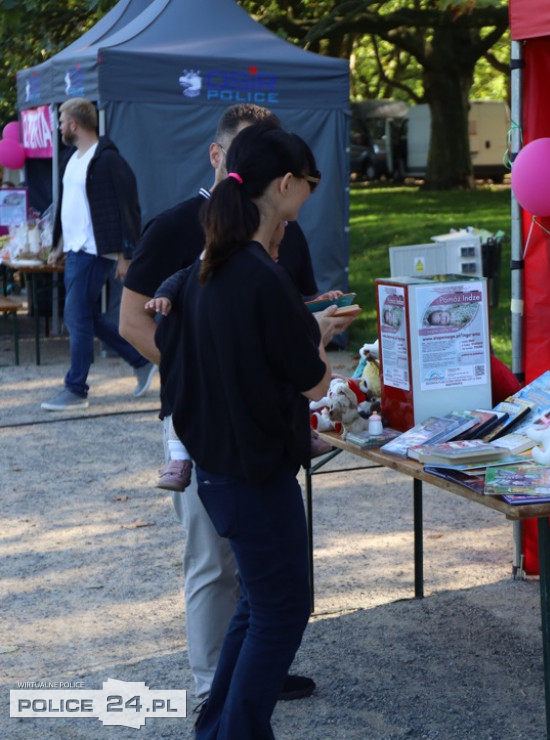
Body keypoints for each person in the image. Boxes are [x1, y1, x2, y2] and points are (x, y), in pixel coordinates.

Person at [118, 104, 337, 704]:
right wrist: (207, 374)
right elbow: (134, 321)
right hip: (216, 434)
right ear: (220, 156)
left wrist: (313, 319)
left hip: (259, 433)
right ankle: (217, 691)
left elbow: (283, 323)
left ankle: (239, 693)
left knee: (258, 582)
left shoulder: (273, 240)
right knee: (223, 568)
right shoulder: (182, 232)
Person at [40, 97, 155, 411]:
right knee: (87, 315)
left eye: (61, 122)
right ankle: (140, 360)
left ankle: (76, 389)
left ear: (74, 124)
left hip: (95, 251)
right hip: (76, 250)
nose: (59, 127)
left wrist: (125, 255)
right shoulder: (71, 159)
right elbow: (69, 206)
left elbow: (128, 208)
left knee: (75, 315)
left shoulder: (107, 160)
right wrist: (58, 246)